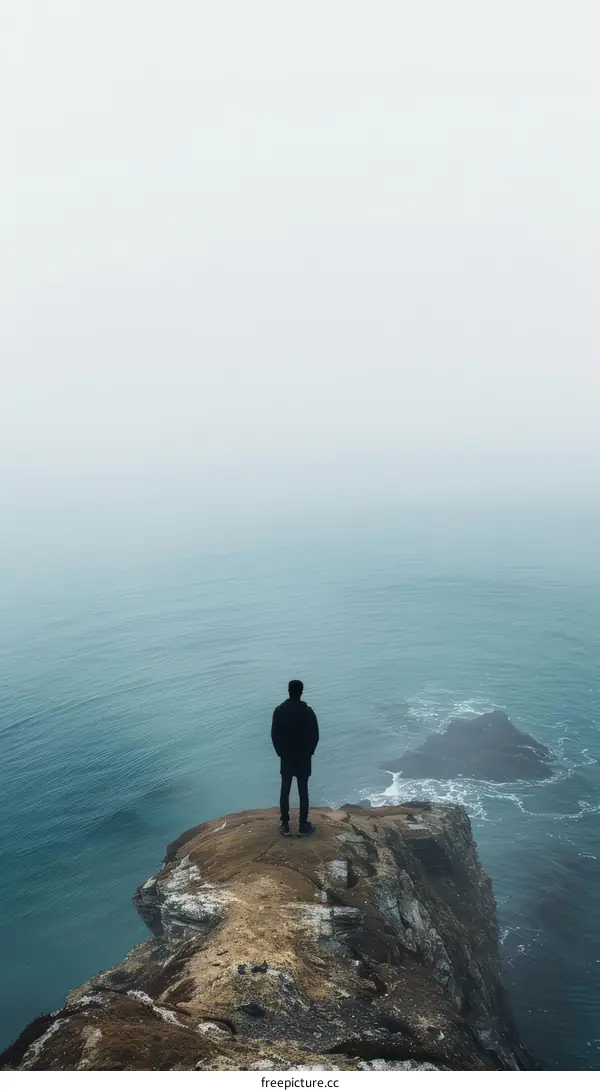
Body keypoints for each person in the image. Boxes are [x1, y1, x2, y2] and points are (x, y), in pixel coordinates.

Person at [271, 680, 319, 837]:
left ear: (288, 691)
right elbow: (315, 735)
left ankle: (284, 824)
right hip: (303, 757)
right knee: (303, 791)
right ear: (301, 692)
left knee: (285, 790)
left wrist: (280, 753)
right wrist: (309, 752)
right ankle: (303, 825)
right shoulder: (308, 712)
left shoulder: (279, 711)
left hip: (287, 757)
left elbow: (274, 735)